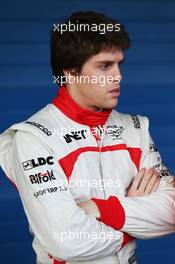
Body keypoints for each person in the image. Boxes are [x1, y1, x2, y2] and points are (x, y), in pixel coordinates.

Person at [0, 10, 175, 264]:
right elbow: (66, 239)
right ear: (70, 72)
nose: (118, 76)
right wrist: (131, 217)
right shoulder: (34, 138)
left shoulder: (135, 128)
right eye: (105, 66)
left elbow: (171, 211)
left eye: (119, 64)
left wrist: (101, 210)